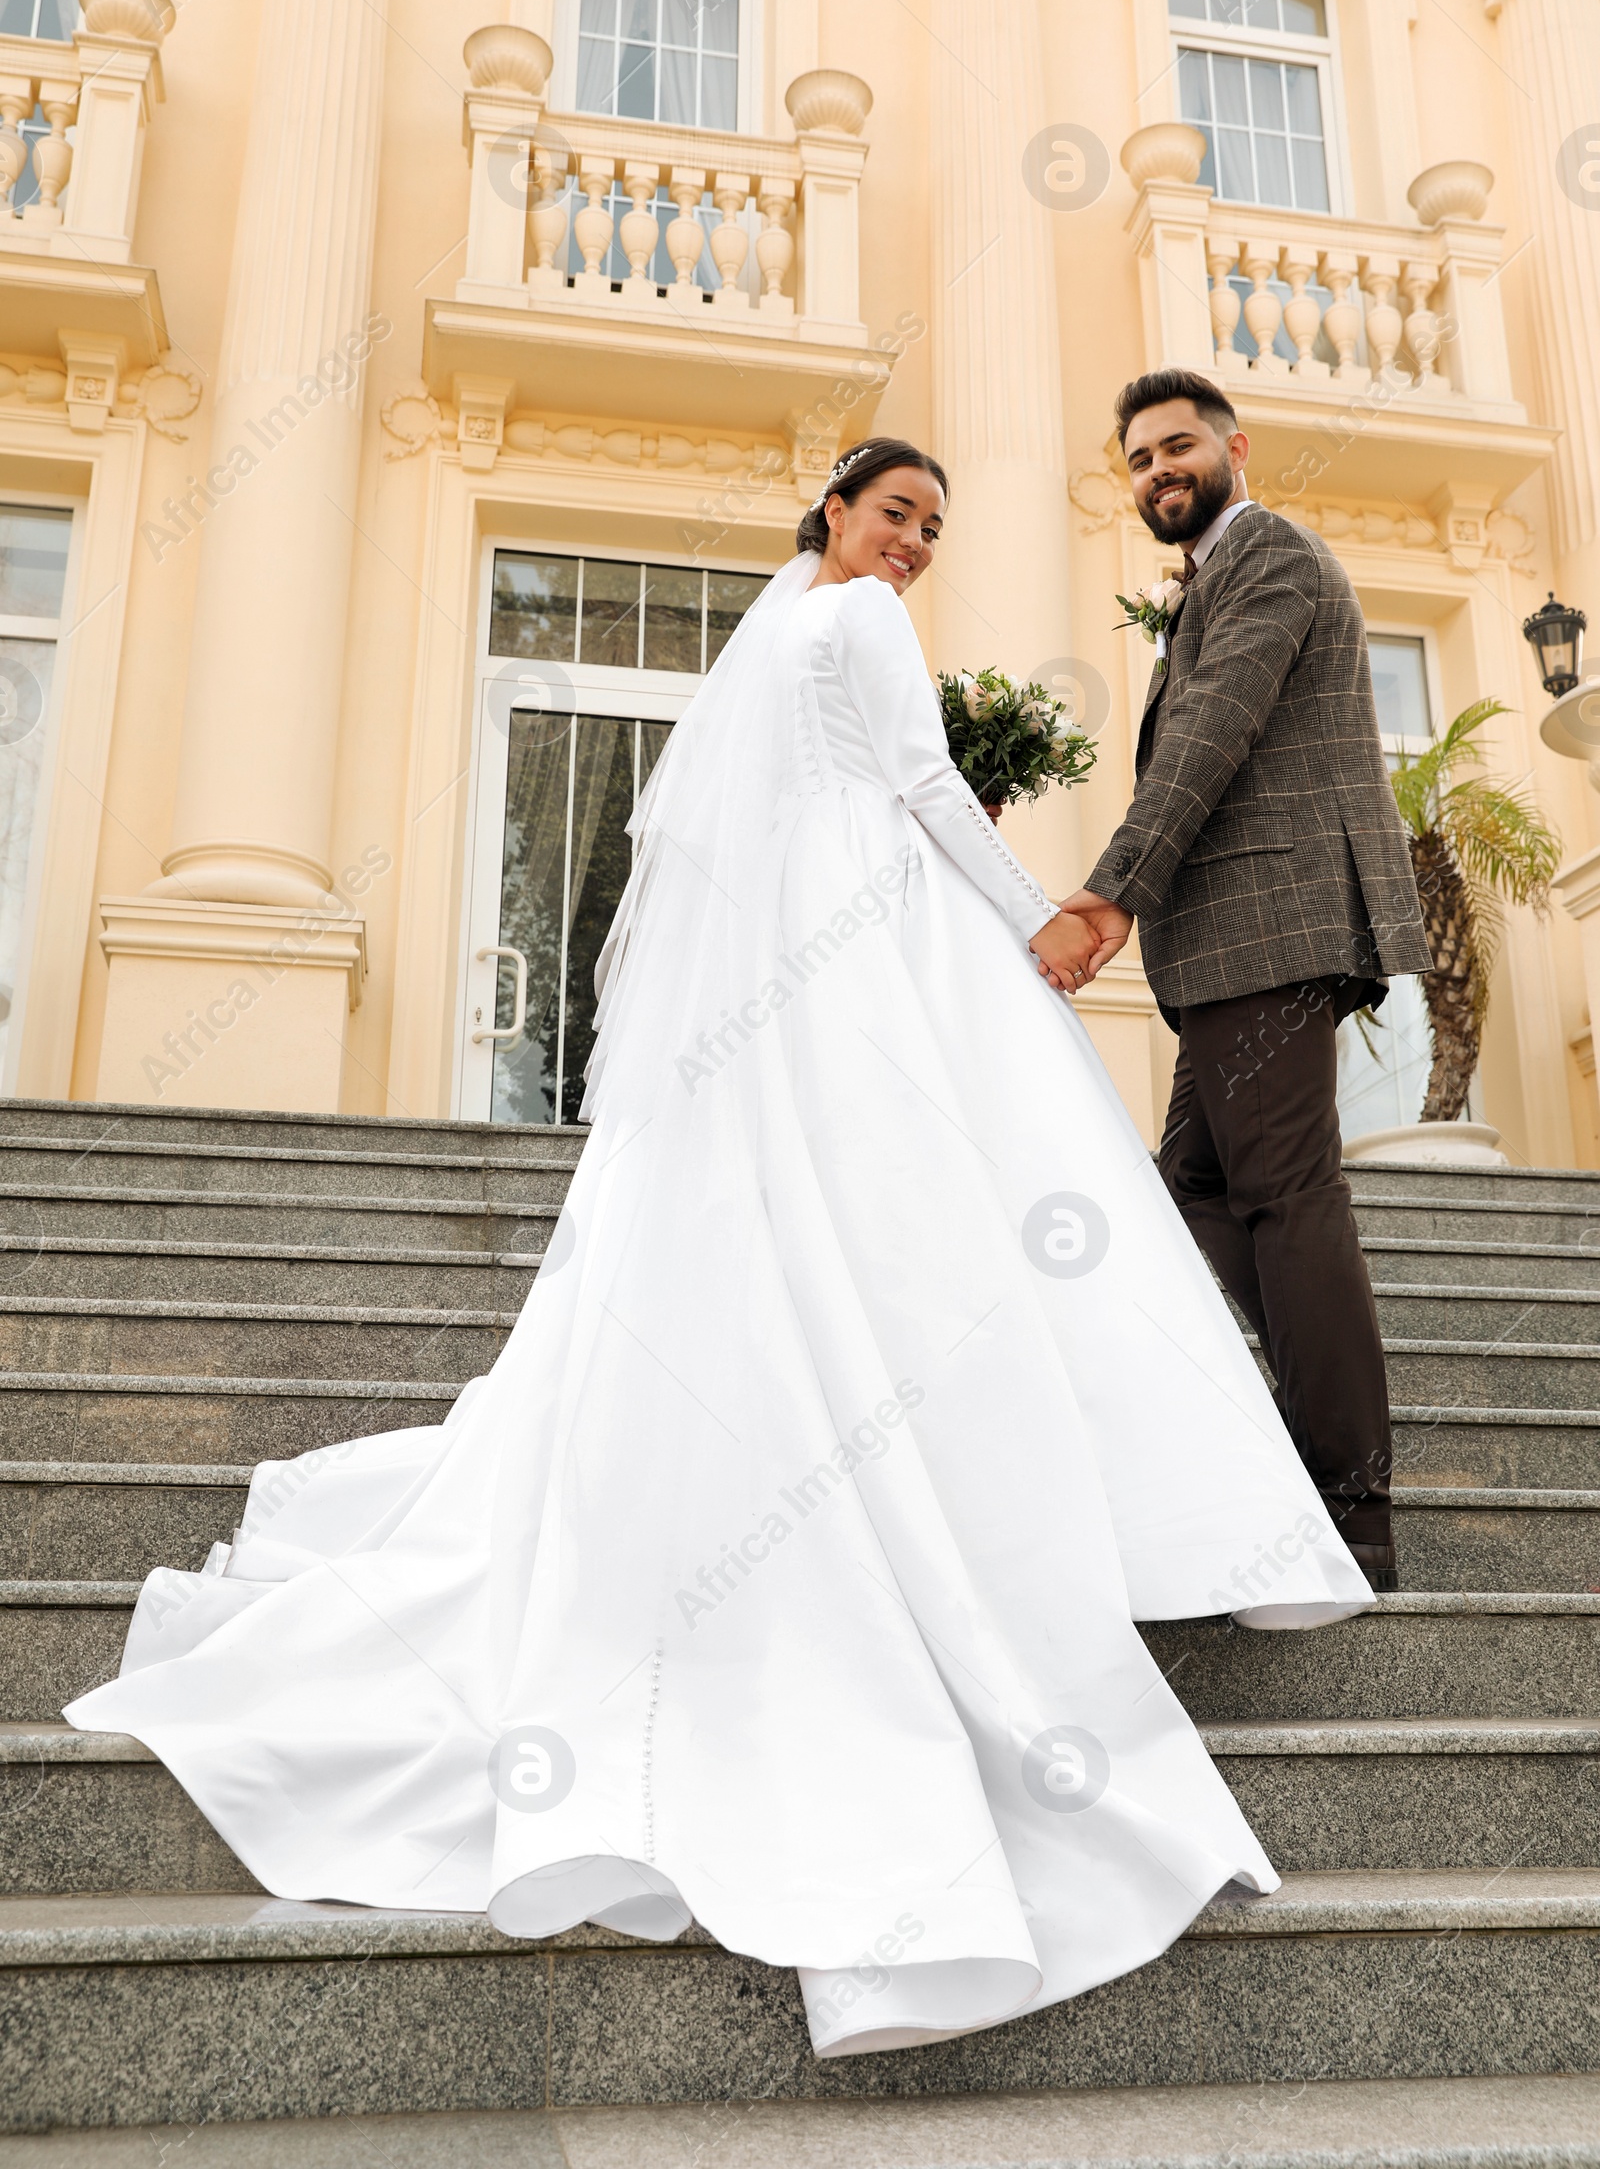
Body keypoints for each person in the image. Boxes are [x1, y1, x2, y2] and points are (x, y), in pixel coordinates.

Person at [67, 436, 1369, 2059]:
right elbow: (918, 787)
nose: (914, 544)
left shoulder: (775, 634)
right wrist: (1040, 916)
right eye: (897, 513)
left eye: (935, 530)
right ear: (836, 508)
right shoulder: (865, 629)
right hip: (877, 936)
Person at [1055, 371, 1433, 1591]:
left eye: (1177, 447)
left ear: (1234, 448)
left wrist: (1110, 894)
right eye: (1139, 459)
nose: (1158, 469)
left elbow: (1211, 729)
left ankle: (1349, 1503)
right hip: (1235, 938)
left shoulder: (1264, 553)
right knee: (1192, 1191)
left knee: (1282, 1194)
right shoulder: (1211, 574)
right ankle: (1289, 1440)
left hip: (1267, 925)